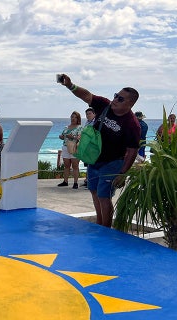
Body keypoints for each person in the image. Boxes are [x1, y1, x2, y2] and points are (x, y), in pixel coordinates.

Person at [58, 74, 141, 228]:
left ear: (130, 104)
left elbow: (132, 151)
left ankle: (105, 230)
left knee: (104, 196)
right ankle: (99, 224)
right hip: (94, 159)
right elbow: (87, 96)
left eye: (120, 99)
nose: (115, 100)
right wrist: (70, 85)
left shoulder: (132, 124)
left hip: (113, 163)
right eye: (116, 96)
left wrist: (122, 173)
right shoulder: (105, 105)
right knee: (94, 192)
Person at [57, 111, 82, 189]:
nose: (73, 119)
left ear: (78, 119)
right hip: (65, 147)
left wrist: (72, 137)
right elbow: (62, 136)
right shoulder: (66, 127)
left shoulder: (80, 127)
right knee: (66, 166)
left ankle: (75, 183)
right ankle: (65, 181)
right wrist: (61, 136)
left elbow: (79, 138)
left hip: (74, 147)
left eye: (75, 117)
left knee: (75, 166)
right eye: (72, 117)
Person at [82, 107, 96, 187]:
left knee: (92, 164)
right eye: (87, 114)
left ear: (94, 114)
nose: (88, 115)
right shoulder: (87, 122)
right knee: (88, 165)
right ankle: (87, 181)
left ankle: (91, 182)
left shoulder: (96, 122)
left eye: (90, 113)